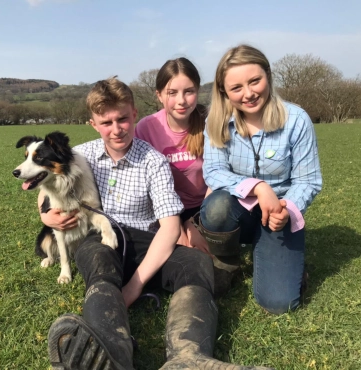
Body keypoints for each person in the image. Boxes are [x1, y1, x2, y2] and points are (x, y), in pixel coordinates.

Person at [40, 78, 273, 369]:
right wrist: (45, 213)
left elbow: (170, 227)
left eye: (123, 119)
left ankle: (188, 358)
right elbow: (47, 182)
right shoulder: (81, 155)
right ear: (93, 124)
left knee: (196, 263)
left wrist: (134, 286)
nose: (116, 129)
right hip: (102, 238)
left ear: (134, 115)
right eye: (106, 122)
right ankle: (112, 351)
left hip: (146, 241)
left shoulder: (154, 161)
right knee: (96, 255)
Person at [199, 44, 322, 315]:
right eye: (237, 88)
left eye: (255, 81)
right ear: (224, 91)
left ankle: (280, 259)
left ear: (268, 75)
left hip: (278, 213)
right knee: (216, 208)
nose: (249, 93)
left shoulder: (296, 120)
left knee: (279, 303)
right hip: (237, 210)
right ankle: (227, 259)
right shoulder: (216, 121)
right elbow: (214, 172)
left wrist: (287, 210)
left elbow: (308, 180)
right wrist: (257, 186)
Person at [135, 58, 237, 296]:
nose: (181, 101)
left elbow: (221, 174)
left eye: (189, 91)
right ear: (159, 95)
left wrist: (196, 222)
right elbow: (147, 184)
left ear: (198, 91)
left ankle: (225, 252)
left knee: (216, 277)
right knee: (177, 259)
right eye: (172, 92)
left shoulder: (211, 122)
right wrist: (177, 224)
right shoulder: (146, 128)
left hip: (208, 207)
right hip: (167, 211)